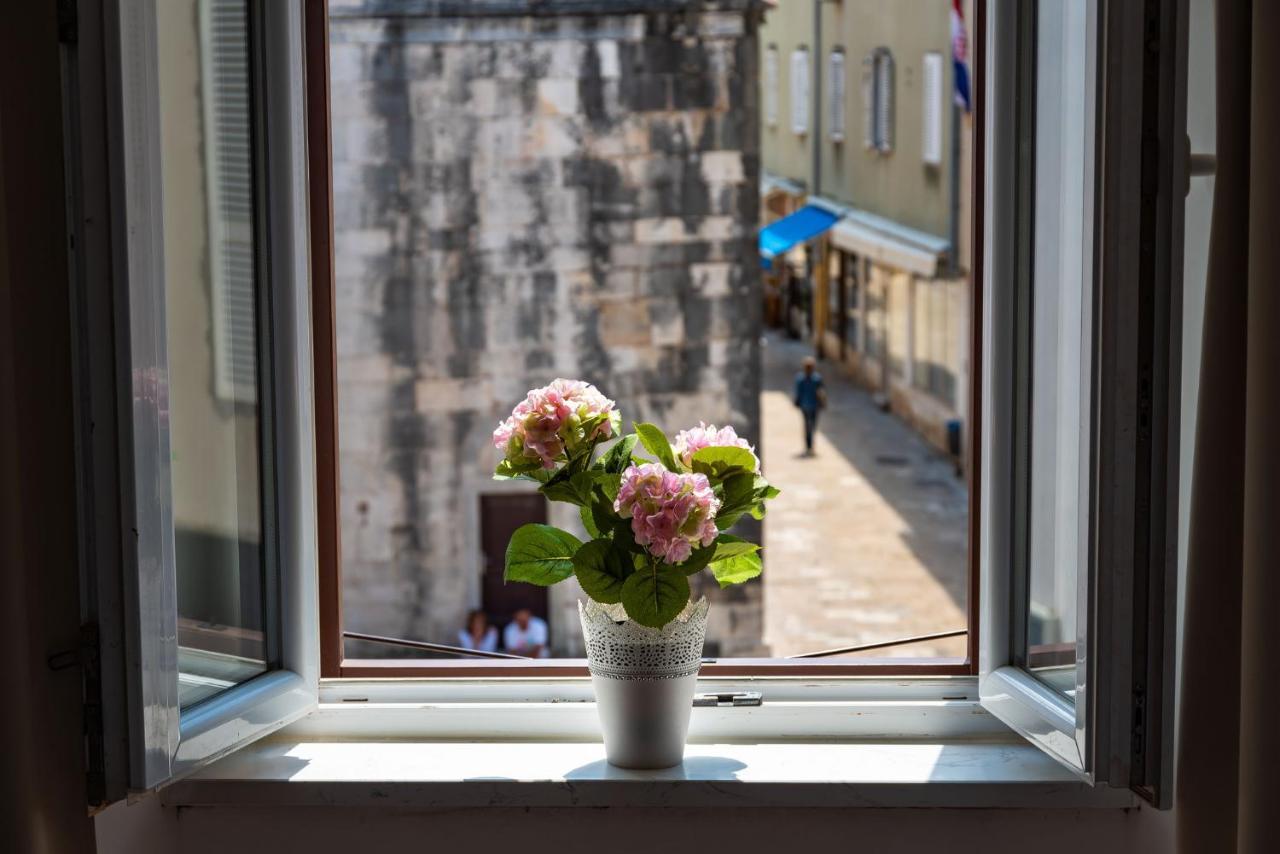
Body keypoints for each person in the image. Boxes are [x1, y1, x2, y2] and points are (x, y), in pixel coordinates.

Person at [793, 356, 826, 456]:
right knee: (810, 426)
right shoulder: (803, 379)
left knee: (809, 426)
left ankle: (809, 445)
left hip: (810, 405)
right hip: (809, 406)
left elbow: (820, 392)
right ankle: (809, 446)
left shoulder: (815, 379)